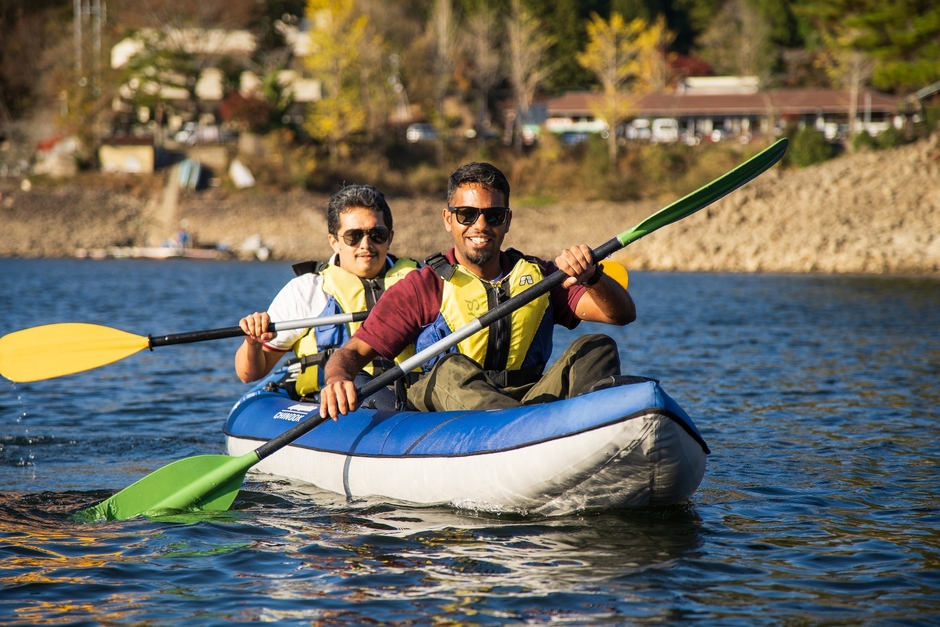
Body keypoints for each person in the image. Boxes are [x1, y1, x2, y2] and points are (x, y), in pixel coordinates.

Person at [318, 162, 636, 420]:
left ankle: (568, 430)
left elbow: (621, 315)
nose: (480, 225)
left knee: (597, 346)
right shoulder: (421, 287)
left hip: (528, 400)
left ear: (507, 220)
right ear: (448, 219)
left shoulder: (542, 276)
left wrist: (593, 277)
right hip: (444, 411)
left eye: (493, 215)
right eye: (467, 215)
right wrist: (336, 379)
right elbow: (353, 353)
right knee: (450, 369)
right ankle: (521, 431)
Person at [236, 184, 418, 408]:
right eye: (354, 236)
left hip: (414, 395)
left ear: (389, 238)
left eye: (376, 234)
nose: (366, 245)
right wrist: (252, 343)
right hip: (342, 401)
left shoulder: (419, 281)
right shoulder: (307, 290)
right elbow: (249, 374)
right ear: (334, 241)